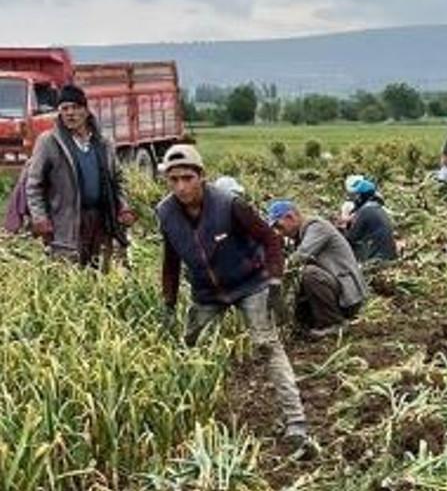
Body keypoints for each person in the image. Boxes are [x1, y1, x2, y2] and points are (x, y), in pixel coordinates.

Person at [154, 145, 316, 457]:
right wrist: (168, 303)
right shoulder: (166, 213)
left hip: (249, 283)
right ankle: (186, 422)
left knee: (268, 346)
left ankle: (296, 423)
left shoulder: (229, 205)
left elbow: (269, 239)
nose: (181, 187)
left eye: (187, 178)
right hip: (207, 292)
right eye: (173, 180)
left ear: (202, 176)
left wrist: (275, 281)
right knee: (189, 349)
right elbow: (170, 260)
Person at [25, 84, 136, 267]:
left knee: (101, 273)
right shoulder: (49, 142)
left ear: (85, 110)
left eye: (75, 107)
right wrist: (40, 218)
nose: (70, 113)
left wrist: (123, 206)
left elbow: (118, 180)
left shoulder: (103, 143)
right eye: (64, 108)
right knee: (70, 275)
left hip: (101, 219)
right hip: (67, 222)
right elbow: (33, 185)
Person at [267, 200, 369, 340]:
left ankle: (333, 323)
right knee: (300, 278)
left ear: (291, 217)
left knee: (308, 273)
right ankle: (309, 323)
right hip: (336, 289)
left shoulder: (316, 226)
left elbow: (301, 256)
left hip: (348, 296)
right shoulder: (299, 235)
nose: (279, 232)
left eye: (279, 226)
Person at [339, 176, 398, 265]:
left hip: (377, 259)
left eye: (353, 196)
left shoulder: (365, 211)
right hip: (388, 256)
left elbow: (351, 238)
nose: (352, 199)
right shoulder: (376, 208)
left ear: (360, 196)